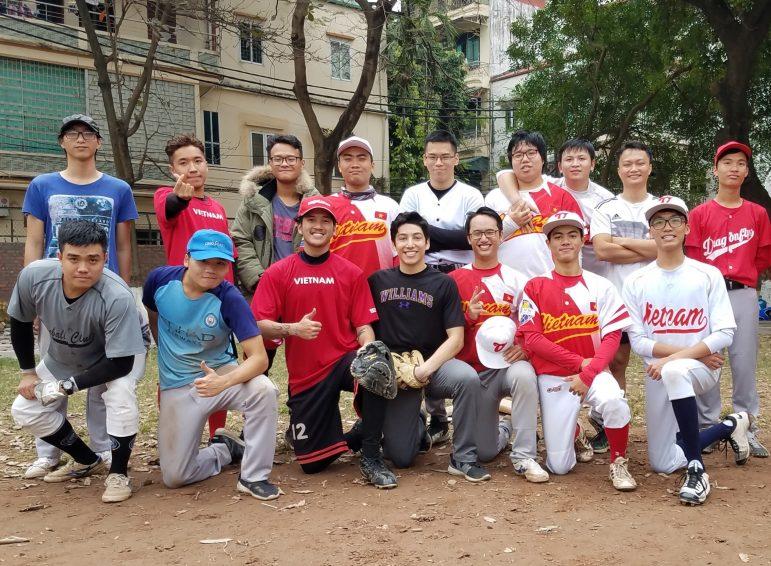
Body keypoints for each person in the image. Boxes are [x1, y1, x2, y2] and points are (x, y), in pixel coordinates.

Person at [21, 114, 138, 479]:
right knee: (53, 369)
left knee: (102, 378)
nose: (80, 139)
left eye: (88, 133)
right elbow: (34, 241)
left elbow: (122, 243)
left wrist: (121, 287)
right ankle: (49, 452)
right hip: (56, 294)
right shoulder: (42, 186)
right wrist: (34, 295)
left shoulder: (118, 188)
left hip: (101, 295)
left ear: (99, 142)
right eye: (73, 134)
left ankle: (102, 449)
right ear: (62, 142)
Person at [252, 197, 397, 489]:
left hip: (344, 361)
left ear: (334, 229)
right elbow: (258, 325)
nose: (318, 226)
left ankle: (371, 456)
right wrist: (292, 328)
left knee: (377, 364)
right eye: (311, 220)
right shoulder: (278, 273)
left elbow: (363, 325)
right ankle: (354, 436)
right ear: (300, 226)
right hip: (307, 375)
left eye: (325, 221)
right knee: (313, 464)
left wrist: (367, 348)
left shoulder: (351, 273)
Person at [622, 195, 753, 505]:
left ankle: (697, 469)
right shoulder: (637, 280)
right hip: (664, 371)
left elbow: (725, 332)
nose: (667, 227)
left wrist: (676, 357)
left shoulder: (706, 274)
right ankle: (730, 425)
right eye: (658, 221)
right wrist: (691, 351)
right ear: (649, 231)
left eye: (675, 220)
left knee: (676, 370)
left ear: (687, 228)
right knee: (662, 462)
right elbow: (639, 341)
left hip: (700, 370)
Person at [10, 220, 146, 503]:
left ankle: (118, 473)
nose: (83, 267)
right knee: (25, 409)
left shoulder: (117, 296)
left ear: (105, 259)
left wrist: (67, 386)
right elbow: (20, 322)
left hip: (117, 354)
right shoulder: (34, 277)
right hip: (64, 354)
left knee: (119, 393)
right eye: (73, 258)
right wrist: (27, 372)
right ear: (59, 257)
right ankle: (86, 459)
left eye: (93, 259)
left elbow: (121, 363)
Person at [142, 229, 281, 500]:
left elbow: (259, 358)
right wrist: (163, 352)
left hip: (220, 375)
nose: (211, 269)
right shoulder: (158, 281)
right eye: (203, 261)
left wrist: (223, 381)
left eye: (219, 263)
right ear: (186, 259)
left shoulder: (230, 299)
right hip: (178, 385)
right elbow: (152, 310)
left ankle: (254, 476)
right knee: (175, 477)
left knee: (263, 390)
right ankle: (226, 450)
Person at [516, 211, 637, 491]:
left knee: (615, 402)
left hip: (593, 373)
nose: (565, 241)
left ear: (583, 240)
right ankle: (577, 431)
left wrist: (589, 371)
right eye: (557, 236)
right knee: (559, 467)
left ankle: (618, 461)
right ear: (548, 244)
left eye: (572, 235)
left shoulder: (601, 286)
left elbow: (612, 338)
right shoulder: (535, 286)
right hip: (554, 376)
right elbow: (532, 339)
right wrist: (579, 363)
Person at [367, 211, 490, 482]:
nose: (410, 244)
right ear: (393, 244)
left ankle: (464, 457)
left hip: (435, 363)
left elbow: (456, 338)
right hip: (396, 371)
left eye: (416, 238)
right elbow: (367, 327)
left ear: (427, 243)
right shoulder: (378, 281)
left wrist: (425, 369)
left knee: (467, 379)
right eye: (403, 238)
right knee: (401, 457)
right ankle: (417, 424)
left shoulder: (443, 283)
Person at [448, 207, 548, 483]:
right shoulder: (454, 281)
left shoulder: (518, 280)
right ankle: (505, 426)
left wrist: (525, 348)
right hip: (474, 374)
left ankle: (525, 455)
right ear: (468, 238)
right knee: (485, 451)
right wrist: (469, 317)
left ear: (500, 236)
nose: (484, 238)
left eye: (490, 232)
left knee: (525, 375)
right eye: (477, 233)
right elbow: (446, 332)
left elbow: (533, 324)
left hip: (506, 367)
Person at [684, 142, 771, 458]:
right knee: (709, 359)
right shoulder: (700, 214)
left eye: (740, 164)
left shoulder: (757, 213)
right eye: (727, 162)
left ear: (747, 172)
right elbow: (692, 258)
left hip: (743, 293)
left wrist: (744, 276)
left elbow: (762, 256)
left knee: (744, 361)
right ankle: (709, 427)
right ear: (715, 169)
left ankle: (747, 426)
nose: (734, 168)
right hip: (708, 294)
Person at [399, 130, 485, 444]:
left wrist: (427, 232)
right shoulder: (412, 193)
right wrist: (450, 234)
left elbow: (470, 236)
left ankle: (465, 404)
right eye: (432, 156)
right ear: (424, 160)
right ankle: (435, 414)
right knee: (425, 338)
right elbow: (407, 232)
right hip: (423, 273)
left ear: (456, 158)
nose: (439, 162)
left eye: (445, 156)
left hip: (461, 274)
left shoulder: (471, 194)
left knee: (460, 336)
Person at [153, 133, 230, 437]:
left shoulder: (218, 208)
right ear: (173, 170)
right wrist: (179, 197)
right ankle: (174, 436)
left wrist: (229, 298)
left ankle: (217, 436)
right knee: (175, 369)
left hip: (215, 299)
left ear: (206, 164)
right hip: (180, 299)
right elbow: (170, 207)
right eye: (183, 163)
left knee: (217, 365)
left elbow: (226, 258)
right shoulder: (165, 195)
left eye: (197, 160)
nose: (192, 168)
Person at [587, 141, 658, 453]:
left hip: (657, 300)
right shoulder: (605, 208)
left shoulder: (665, 206)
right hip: (617, 299)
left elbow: (668, 248)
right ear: (619, 170)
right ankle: (608, 425)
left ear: (649, 167)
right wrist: (647, 246)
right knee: (616, 362)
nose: (633, 169)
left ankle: (667, 424)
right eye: (627, 163)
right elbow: (602, 250)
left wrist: (620, 242)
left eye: (639, 163)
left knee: (662, 363)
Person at [497, 138, 613, 274]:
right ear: (560, 166)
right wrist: (518, 202)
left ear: (592, 164)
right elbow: (504, 175)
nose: (575, 164)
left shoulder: (606, 200)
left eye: (581, 158)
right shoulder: (552, 185)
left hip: (596, 272)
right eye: (569, 159)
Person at [484, 130, 583, 279]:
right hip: (506, 285)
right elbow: (483, 240)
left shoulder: (562, 196)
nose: (525, 159)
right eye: (518, 155)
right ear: (511, 161)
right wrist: (511, 223)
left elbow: (577, 247)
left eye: (531, 153)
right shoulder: (494, 197)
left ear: (543, 158)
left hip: (549, 284)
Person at [232, 134, 319, 295]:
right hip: (264, 288)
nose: (284, 163)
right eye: (278, 159)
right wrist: (259, 279)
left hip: (304, 289)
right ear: (270, 163)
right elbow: (240, 240)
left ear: (302, 163)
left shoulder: (315, 203)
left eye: (291, 159)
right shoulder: (253, 201)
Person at [327, 136, 400, 278]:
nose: (355, 164)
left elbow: (400, 251)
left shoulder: (390, 206)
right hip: (338, 289)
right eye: (347, 159)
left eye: (361, 158)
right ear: (339, 166)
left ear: (372, 165)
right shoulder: (327, 207)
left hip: (381, 290)